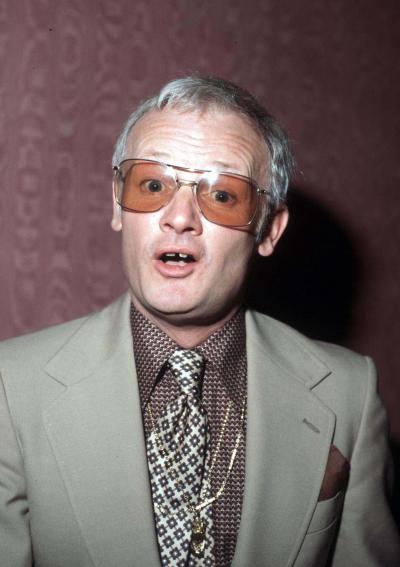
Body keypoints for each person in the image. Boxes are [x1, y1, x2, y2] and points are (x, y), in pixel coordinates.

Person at [0, 76, 399, 567]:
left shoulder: (349, 394)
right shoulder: (12, 387)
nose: (180, 217)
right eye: (152, 185)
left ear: (268, 231)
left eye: (223, 195)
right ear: (117, 204)